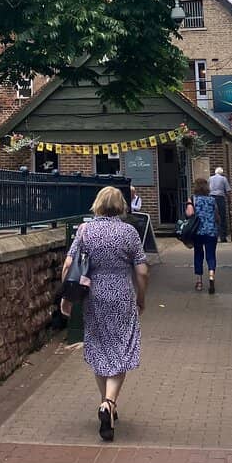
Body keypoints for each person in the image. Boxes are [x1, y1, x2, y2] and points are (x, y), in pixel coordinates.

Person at [59, 185, 149, 442]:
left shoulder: (86, 230)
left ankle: (105, 403)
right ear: (121, 205)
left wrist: (67, 299)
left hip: (94, 295)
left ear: (97, 204)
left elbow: (68, 265)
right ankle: (109, 403)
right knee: (120, 348)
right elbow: (142, 271)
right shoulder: (129, 232)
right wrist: (141, 298)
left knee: (99, 346)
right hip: (121, 295)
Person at [186, 177, 220, 293]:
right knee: (211, 256)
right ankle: (211, 275)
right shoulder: (212, 200)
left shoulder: (193, 199)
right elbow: (217, 216)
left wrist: (189, 204)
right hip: (211, 232)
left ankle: (199, 282)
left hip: (198, 232)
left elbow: (189, 214)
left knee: (198, 255)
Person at [208, 165, 230, 241]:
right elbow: (227, 191)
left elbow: (208, 189)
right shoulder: (224, 179)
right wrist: (228, 200)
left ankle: (213, 235)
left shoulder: (210, 178)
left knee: (212, 217)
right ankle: (223, 236)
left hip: (211, 197)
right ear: (222, 173)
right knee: (222, 217)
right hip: (220, 198)